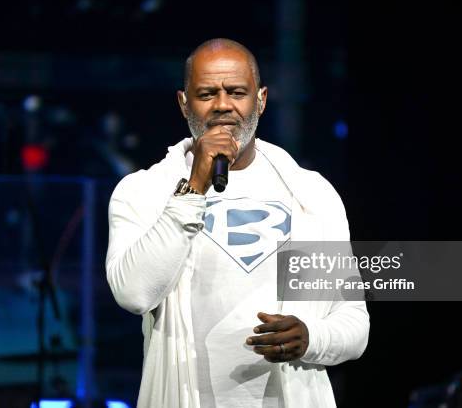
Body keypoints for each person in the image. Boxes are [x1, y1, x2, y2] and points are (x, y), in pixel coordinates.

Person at [106, 38, 370, 408]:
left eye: (237, 92)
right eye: (207, 93)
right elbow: (133, 293)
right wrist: (194, 186)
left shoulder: (311, 194)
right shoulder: (143, 191)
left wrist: (312, 337)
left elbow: (354, 321)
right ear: (184, 103)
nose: (223, 106)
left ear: (260, 99)